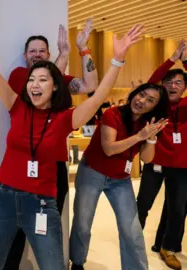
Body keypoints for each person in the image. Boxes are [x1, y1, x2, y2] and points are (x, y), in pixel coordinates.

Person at [0, 8, 143, 269]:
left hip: (41, 202)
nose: (34, 84)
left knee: (53, 265)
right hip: (3, 197)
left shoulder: (65, 118)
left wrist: (117, 59)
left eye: (42, 79)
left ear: (56, 84)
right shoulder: (17, 105)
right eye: (32, 80)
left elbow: (95, 96)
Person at [4, 17, 99, 270]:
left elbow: (91, 85)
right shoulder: (19, 76)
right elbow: (42, 90)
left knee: (49, 229)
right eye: (32, 51)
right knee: (16, 231)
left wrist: (82, 49)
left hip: (54, 167)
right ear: (25, 56)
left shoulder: (60, 81)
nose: (37, 55)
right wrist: (63, 57)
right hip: (22, 168)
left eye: (42, 51)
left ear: (49, 53)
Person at [69, 83, 169, 270]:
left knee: (132, 229)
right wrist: (140, 136)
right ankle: (77, 262)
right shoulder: (112, 114)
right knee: (83, 222)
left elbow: (147, 159)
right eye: (141, 94)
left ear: (155, 107)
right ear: (134, 93)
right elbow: (109, 149)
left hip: (120, 179)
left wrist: (151, 137)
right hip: (93, 171)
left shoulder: (148, 125)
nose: (142, 101)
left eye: (150, 100)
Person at [136, 40, 187, 269]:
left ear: (184, 87)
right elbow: (150, 82)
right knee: (143, 204)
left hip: (182, 166)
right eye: (168, 82)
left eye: (178, 82)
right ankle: (134, 242)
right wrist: (173, 58)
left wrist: (185, 62)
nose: (173, 86)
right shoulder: (157, 105)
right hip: (155, 162)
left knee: (178, 208)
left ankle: (168, 248)